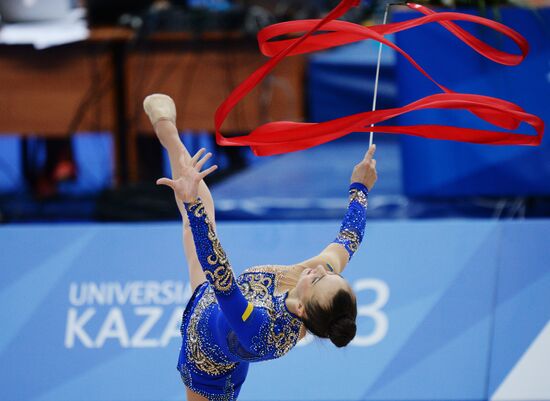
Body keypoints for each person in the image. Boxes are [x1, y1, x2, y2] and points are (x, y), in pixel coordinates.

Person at [143, 94, 377, 401]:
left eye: (317, 278)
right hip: (215, 303)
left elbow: (221, 276)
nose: (318, 269)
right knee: (196, 218)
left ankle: (178, 160)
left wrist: (193, 207)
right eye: (330, 274)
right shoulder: (311, 288)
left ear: (304, 308)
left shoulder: (261, 328)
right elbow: (349, 239)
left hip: (208, 364)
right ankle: (168, 133)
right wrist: (360, 188)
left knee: (197, 218)